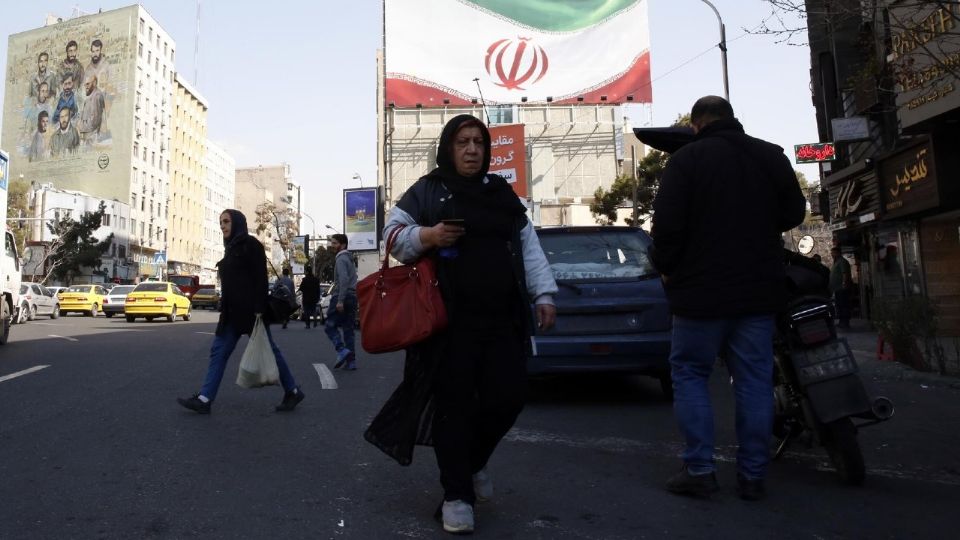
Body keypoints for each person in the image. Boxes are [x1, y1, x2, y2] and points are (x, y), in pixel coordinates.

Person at [364, 114, 558, 534]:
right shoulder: (428, 190)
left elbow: (527, 246)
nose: (472, 150)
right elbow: (392, 237)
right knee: (453, 407)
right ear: (448, 148)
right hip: (447, 323)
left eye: (478, 142)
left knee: (508, 397)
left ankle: (472, 463)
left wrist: (543, 294)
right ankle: (457, 497)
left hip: (502, 318)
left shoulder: (501, 193)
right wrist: (429, 236)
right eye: (462, 142)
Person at [650, 96, 806, 501]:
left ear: (696, 124)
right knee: (754, 381)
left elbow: (666, 227)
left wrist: (667, 268)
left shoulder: (686, 161)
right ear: (732, 119)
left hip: (698, 294)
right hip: (757, 291)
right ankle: (753, 475)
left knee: (690, 374)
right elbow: (793, 213)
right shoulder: (770, 156)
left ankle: (699, 469)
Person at [177, 209, 305, 414]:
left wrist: (259, 310)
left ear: (237, 222)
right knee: (218, 352)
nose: (222, 226)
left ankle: (292, 390)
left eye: (226, 221)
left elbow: (261, 279)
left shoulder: (251, 245)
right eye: (221, 222)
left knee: (270, 351)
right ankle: (204, 399)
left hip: (251, 313)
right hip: (231, 315)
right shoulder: (230, 247)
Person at [323, 234, 358, 369]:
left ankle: (342, 350)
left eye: (335, 243)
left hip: (341, 295)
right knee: (348, 329)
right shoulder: (349, 259)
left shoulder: (341, 259)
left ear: (343, 245)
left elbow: (343, 280)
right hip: (352, 296)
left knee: (329, 326)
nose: (332, 246)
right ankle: (351, 362)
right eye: (332, 243)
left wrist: (340, 300)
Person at [77, 75, 105, 146]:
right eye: (85, 85)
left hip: (91, 140)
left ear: (94, 83)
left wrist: (80, 126)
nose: (85, 87)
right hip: (88, 138)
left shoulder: (96, 96)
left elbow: (93, 122)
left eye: (88, 84)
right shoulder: (92, 96)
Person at [830, 246, 853, 329]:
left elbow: (845, 273)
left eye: (833, 253)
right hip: (837, 289)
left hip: (842, 288)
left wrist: (844, 283)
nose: (832, 255)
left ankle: (845, 322)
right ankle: (841, 322)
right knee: (839, 305)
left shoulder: (842, 262)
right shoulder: (836, 262)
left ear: (838, 253)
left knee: (844, 305)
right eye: (832, 253)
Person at [298, 265, 321, 329]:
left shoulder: (305, 280)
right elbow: (318, 289)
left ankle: (308, 325)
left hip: (306, 298)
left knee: (306, 311)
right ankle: (315, 319)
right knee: (313, 309)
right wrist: (318, 297)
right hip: (314, 297)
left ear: (307, 272)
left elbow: (301, 288)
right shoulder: (316, 279)